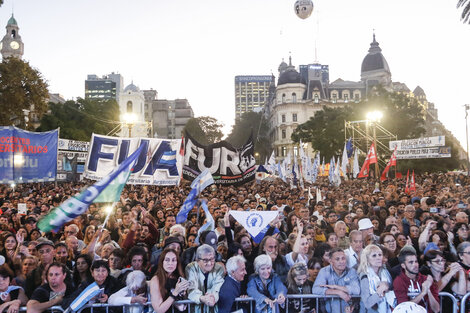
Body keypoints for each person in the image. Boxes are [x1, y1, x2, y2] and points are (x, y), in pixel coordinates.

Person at [312, 247, 360, 313]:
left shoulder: (352, 271)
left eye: (343, 258)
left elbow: (356, 290)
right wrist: (338, 292)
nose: (341, 262)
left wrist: (336, 287)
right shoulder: (324, 271)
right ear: (331, 261)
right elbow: (316, 289)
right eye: (337, 259)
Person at [393, 247, 440, 313]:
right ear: (403, 265)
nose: (415, 265)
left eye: (416, 261)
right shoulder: (399, 281)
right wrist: (423, 293)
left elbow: (436, 309)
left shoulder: (426, 279)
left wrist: (428, 290)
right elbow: (404, 308)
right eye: (411, 262)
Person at [185, 244, 225, 313]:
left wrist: (212, 297)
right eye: (205, 260)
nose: (209, 263)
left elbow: (217, 287)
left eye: (212, 259)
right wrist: (203, 298)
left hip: (214, 309)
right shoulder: (190, 268)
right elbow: (191, 289)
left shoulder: (219, 268)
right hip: (195, 309)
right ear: (197, 260)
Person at [357, 244, 396, 313]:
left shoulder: (385, 272)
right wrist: (379, 292)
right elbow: (367, 303)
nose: (378, 258)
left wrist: (387, 286)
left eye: (380, 255)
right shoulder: (364, 276)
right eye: (374, 255)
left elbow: (391, 288)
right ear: (367, 258)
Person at [150, 248, 189, 313]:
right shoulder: (156, 280)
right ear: (162, 262)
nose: (170, 263)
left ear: (177, 262)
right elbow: (159, 309)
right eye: (167, 260)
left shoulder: (180, 277)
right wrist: (175, 292)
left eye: (173, 260)